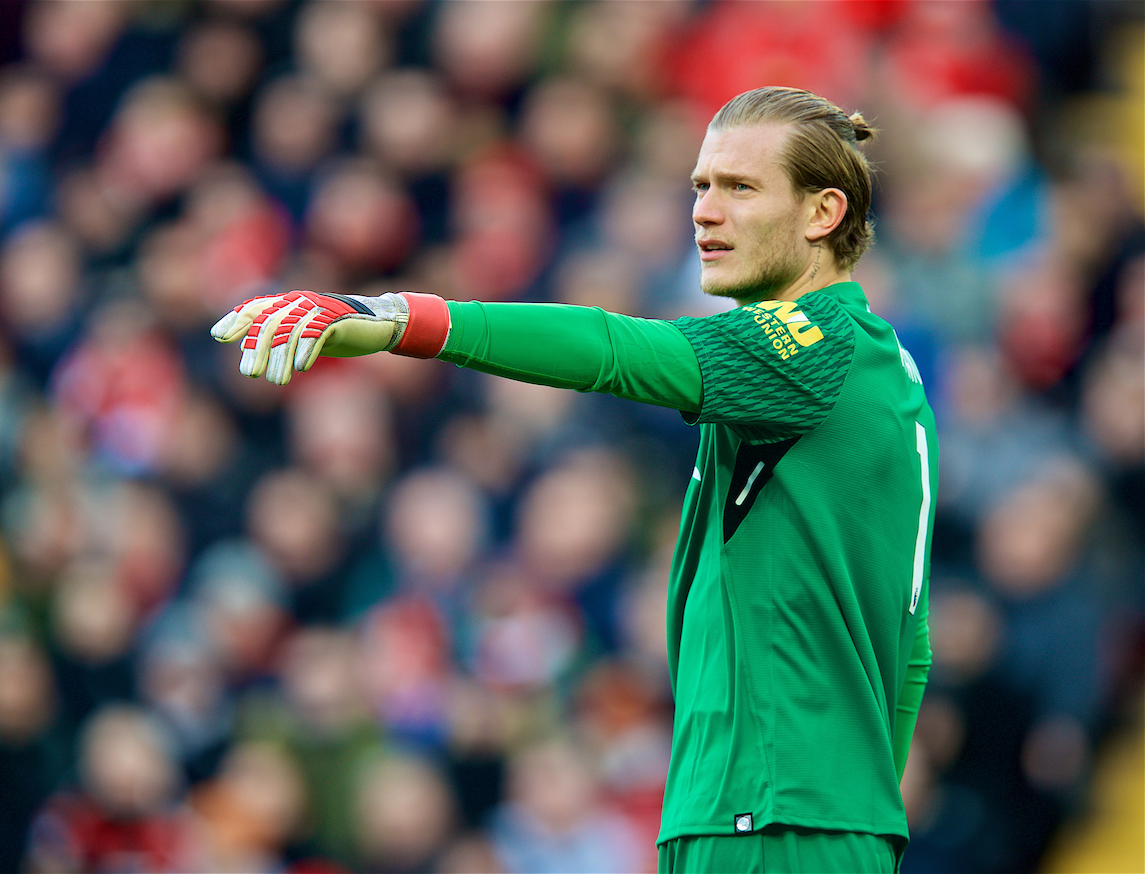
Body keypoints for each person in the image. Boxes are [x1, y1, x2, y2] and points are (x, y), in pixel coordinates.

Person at [212, 86, 936, 874]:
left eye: (740, 187)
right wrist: (858, 806)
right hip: (783, 813)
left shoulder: (811, 347)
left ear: (822, 213)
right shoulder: (878, 370)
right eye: (700, 186)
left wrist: (399, 318)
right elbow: (911, 647)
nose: (704, 212)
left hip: (774, 818)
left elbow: (615, 348)